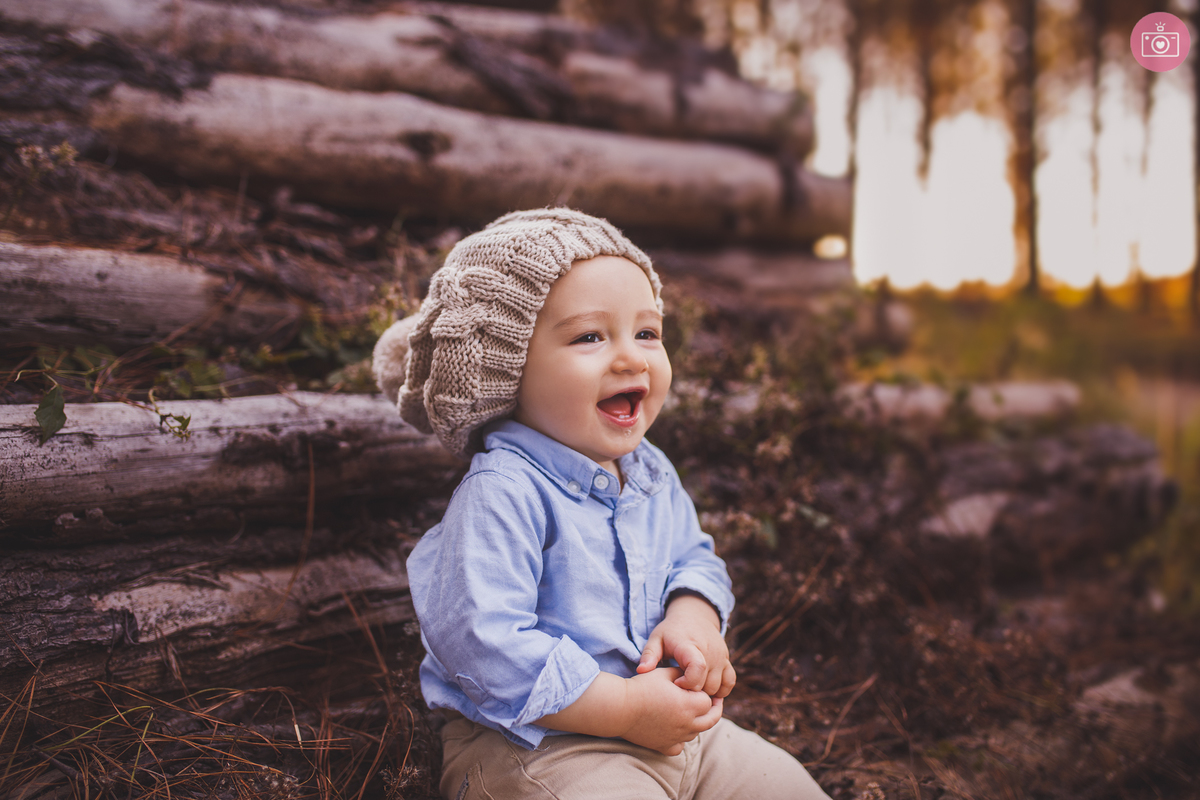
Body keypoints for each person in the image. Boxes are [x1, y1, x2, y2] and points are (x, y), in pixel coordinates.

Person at [372, 208, 830, 800]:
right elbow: (483, 642)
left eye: (647, 333)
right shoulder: (504, 490)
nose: (632, 358)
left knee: (785, 788)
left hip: (666, 731)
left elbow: (693, 556)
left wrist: (692, 615)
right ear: (510, 372)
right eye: (590, 336)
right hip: (535, 747)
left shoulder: (649, 472)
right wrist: (622, 708)